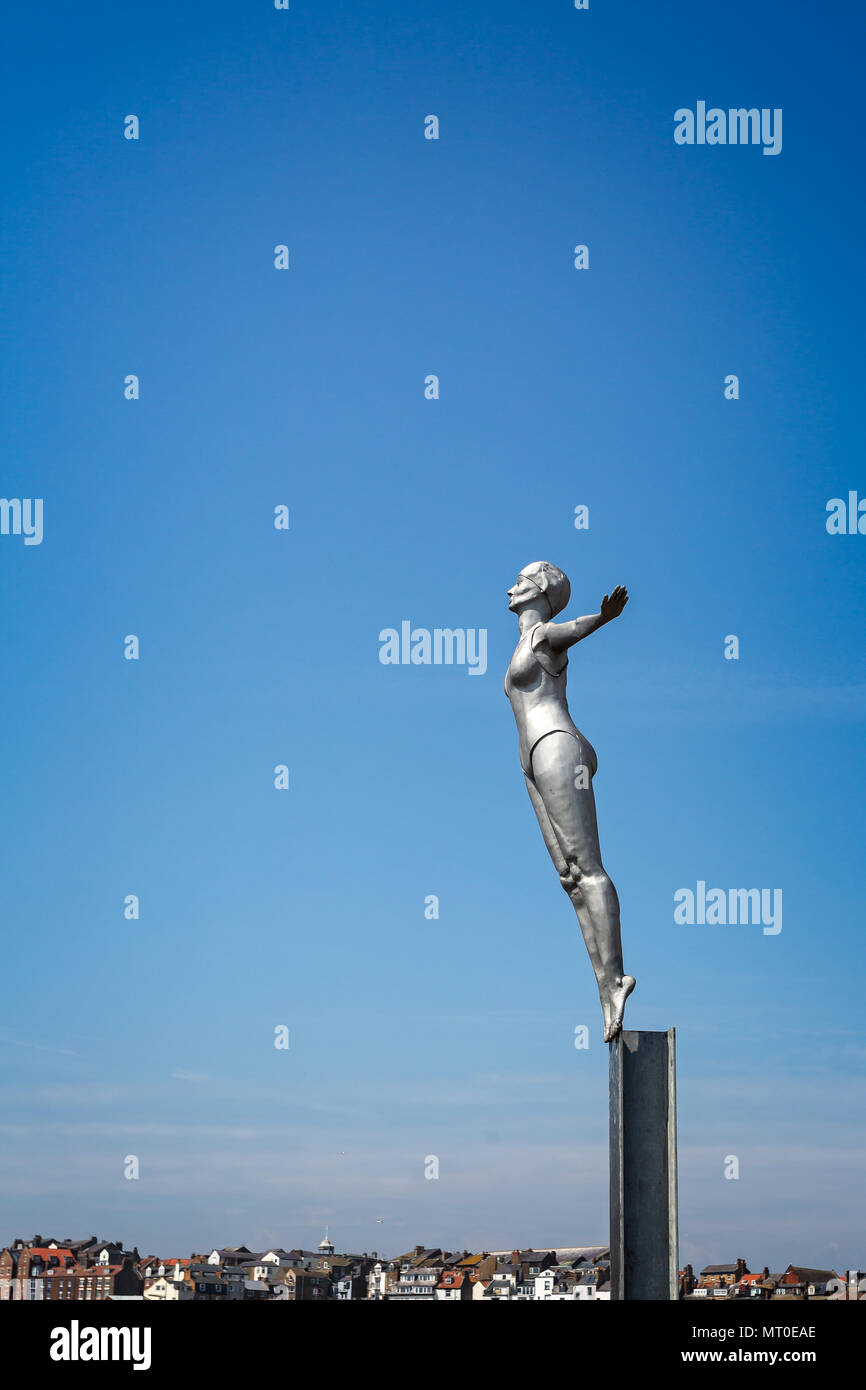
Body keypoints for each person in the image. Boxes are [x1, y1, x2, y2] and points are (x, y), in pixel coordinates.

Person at [505, 561, 635, 1042]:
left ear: (540, 590)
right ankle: (607, 994)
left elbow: (569, 631)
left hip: (558, 747)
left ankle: (618, 976)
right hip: (532, 761)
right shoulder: (524, 642)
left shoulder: (543, 637)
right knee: (571, 879)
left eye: (521, 582)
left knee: (589, 866)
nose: (511, 588)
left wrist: (602, 619)